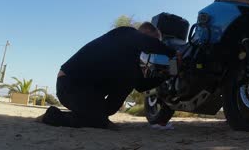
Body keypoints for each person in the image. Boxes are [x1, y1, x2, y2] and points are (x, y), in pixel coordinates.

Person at [37, 22, 177, 130]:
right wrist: (173, 53)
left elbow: (140, 85)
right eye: (155, 41)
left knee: (128, 79)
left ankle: (99, 115)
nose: (155, 47)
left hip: (89, 91)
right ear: (145, 32)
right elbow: (145, 42)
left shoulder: (130, 60)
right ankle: (51, 116)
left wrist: (166, 75)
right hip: (70, 85)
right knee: (97, 121)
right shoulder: (125, 32)